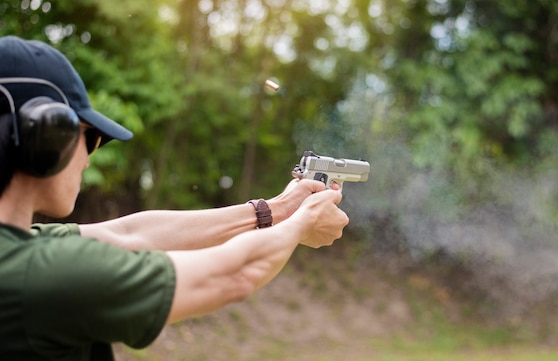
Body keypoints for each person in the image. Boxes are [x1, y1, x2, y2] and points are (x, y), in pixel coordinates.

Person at [0, 35, 349, 361]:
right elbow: (234, 276)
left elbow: (132, 236)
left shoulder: (21, 248)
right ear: (43, 135)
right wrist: (303, 223)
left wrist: (278, 209)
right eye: (88, 138)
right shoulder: (38, 272)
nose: (88, 158)